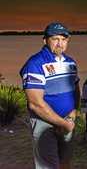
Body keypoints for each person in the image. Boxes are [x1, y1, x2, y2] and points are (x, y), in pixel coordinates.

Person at [20, 22, 80, 169]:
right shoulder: (35, 64)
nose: (60, 43)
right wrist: (63, 123)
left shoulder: (71, 62)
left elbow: (75, 90)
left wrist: (73, 114)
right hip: (44, 124)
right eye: (55, 39)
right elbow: (35, 104)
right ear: (45, 40)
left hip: (68, 120)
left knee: (65, 162)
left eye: (64, 39)